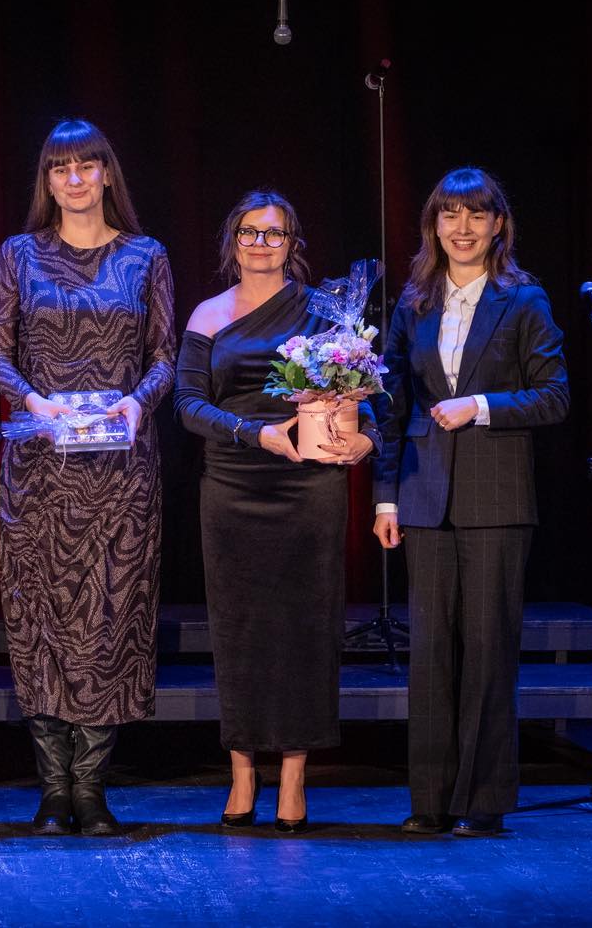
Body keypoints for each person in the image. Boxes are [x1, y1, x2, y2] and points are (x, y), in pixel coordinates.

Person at [0, 119, 175, 836]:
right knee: (40, 620)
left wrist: (138, 401)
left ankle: (90, 790)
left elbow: (164, 355)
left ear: (106, 174)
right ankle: (51, 791)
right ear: (48, 179)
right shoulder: (18, 254)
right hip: (40, 470)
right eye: (59, 167)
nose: (74, 178)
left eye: (86, 165)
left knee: (110, 619)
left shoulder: (146, 255)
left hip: (121, 471)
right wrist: (34, 401)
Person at [373, 167, 568, 837]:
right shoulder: (414, 302)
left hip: (497, 500)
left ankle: (483, 801)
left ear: (497, 225)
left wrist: (480, 405)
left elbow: (554, 395)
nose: (462, 228)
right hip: (424, 496)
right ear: (434, 224)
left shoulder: (524, 300)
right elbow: (391, 404)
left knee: (487, 651)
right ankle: (429, 800)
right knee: (430, 654)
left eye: (477, 215)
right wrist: (386, 500)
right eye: (450, 215)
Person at [175, 190, 376, 833]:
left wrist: (366, 439)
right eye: (250, 233)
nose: (261, 244)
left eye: (275, 234)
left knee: (305, 629)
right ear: (232, 241)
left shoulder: (324, 311)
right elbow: (187, 404)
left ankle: (293, 777)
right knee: (238, 630)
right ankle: (241, 772)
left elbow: (364, 390)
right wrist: (253, 433)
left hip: (308, 488)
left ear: (293, 244)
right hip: (233, 485)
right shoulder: (208, 314)